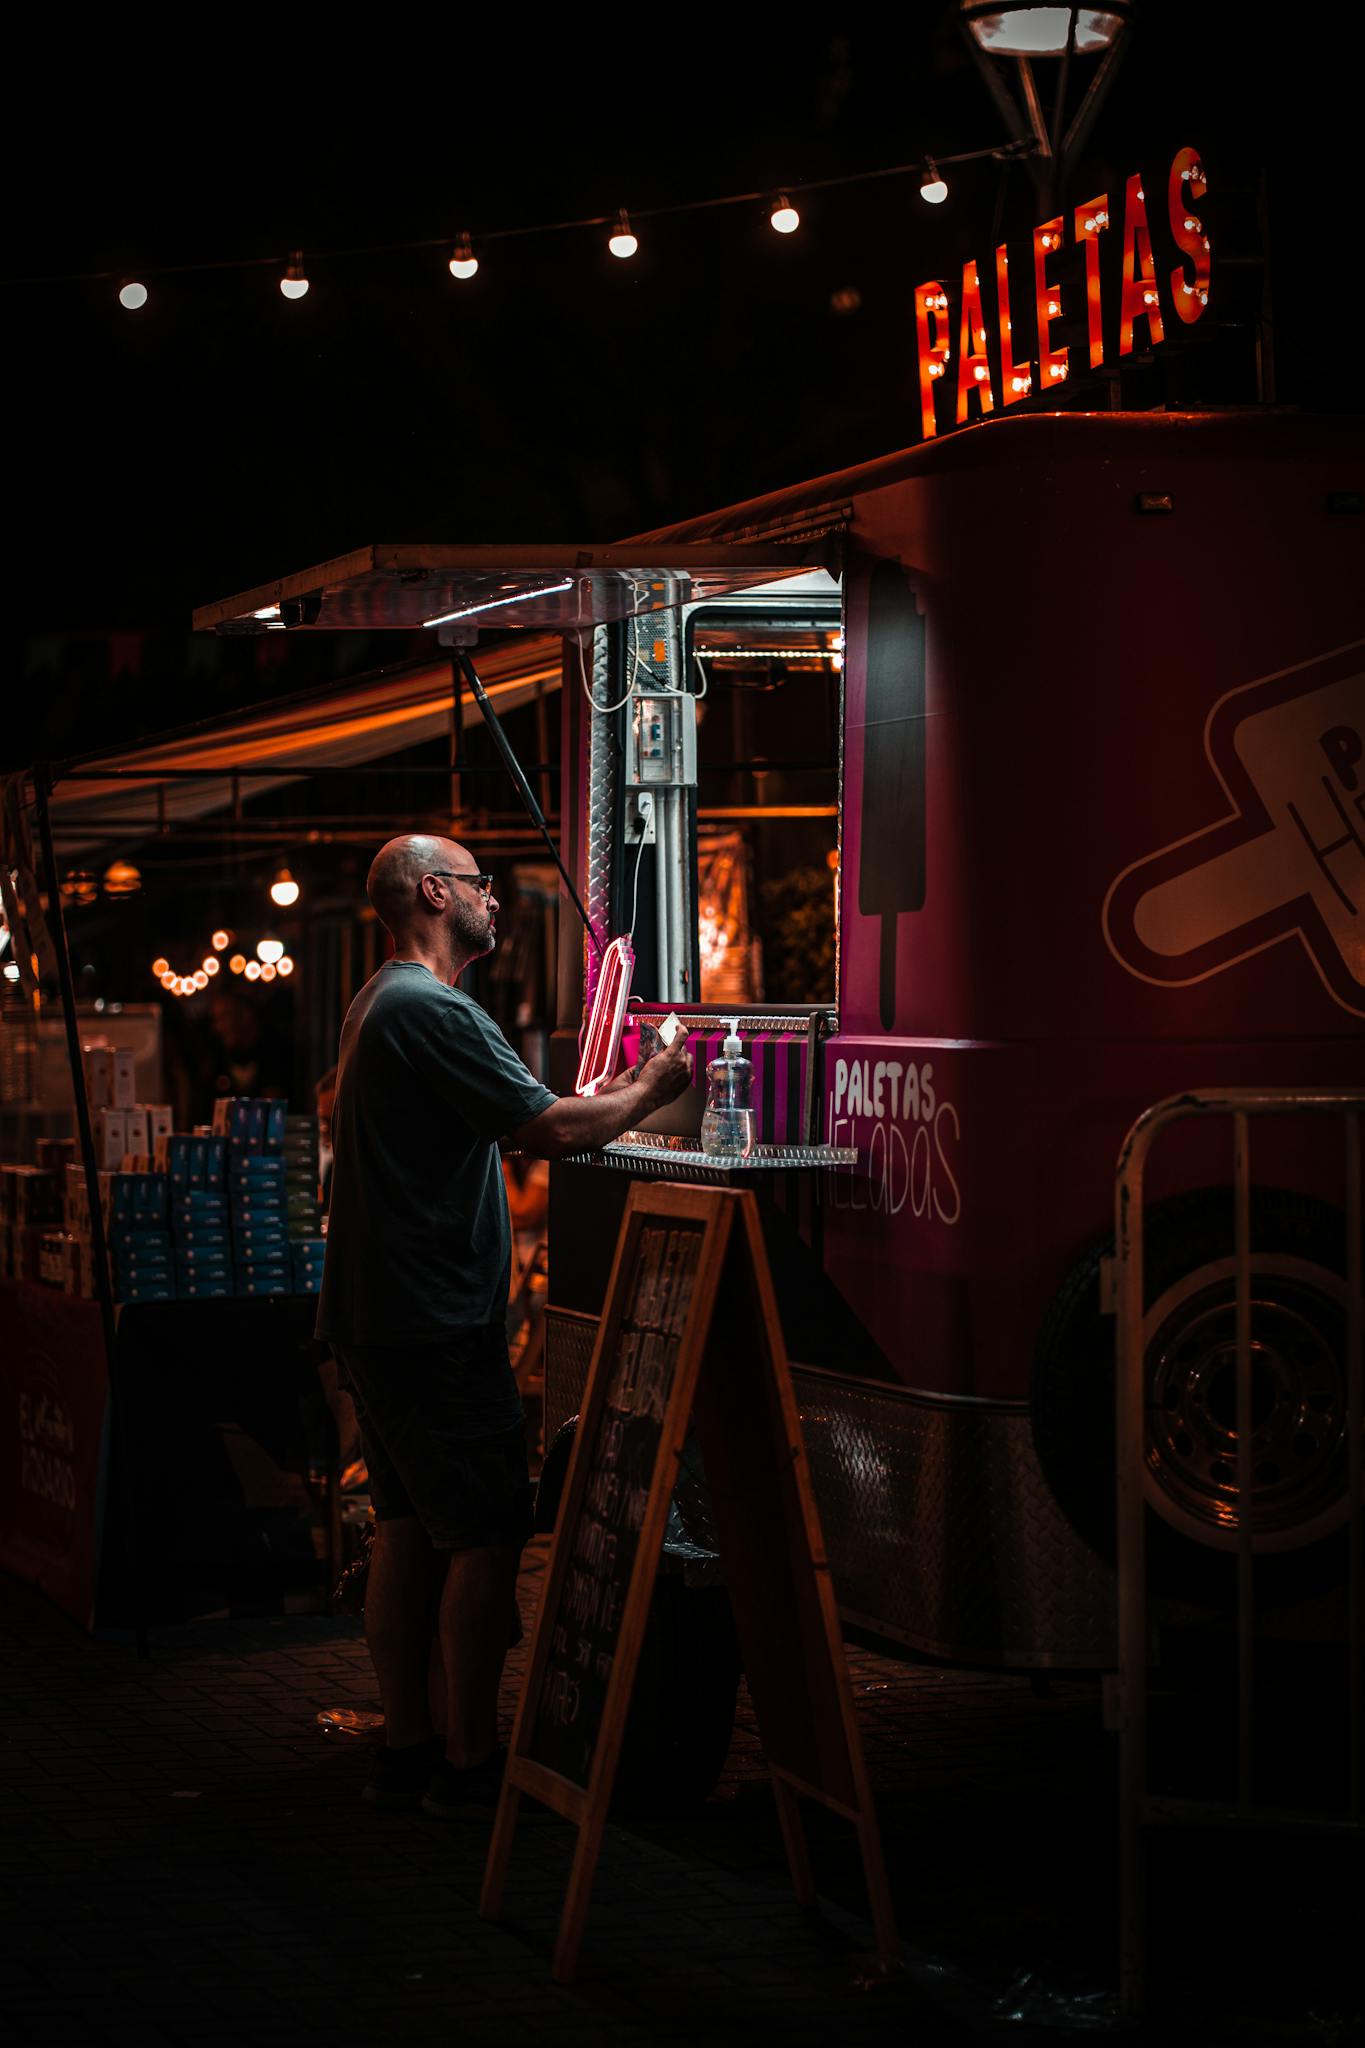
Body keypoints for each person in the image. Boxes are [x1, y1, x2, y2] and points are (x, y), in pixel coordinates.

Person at [315, 832, 691, 1818]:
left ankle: (408, 1746)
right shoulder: (430, 1007)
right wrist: (654, 1083)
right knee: (482, 1538)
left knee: (406, 1530)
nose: (495, 899)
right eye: (481, 884)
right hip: (432, 1321)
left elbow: (536, 1109)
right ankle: (472, 1764)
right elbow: (548, 1132)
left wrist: (597, 1101)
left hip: (380, 1312)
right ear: (435, 892)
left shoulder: (382, 1001)